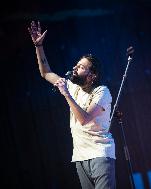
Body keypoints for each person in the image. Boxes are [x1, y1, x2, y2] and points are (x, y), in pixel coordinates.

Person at [28, 21, 116, 189]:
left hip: (100, 154)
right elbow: (46, 72)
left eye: (81, 67)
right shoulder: (73, 86)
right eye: (76, 64)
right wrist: (38, 46)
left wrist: (66, 94)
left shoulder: (102, 92)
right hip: (80, 156)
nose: (75, 68)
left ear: (92, 75)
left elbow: (84, 119)